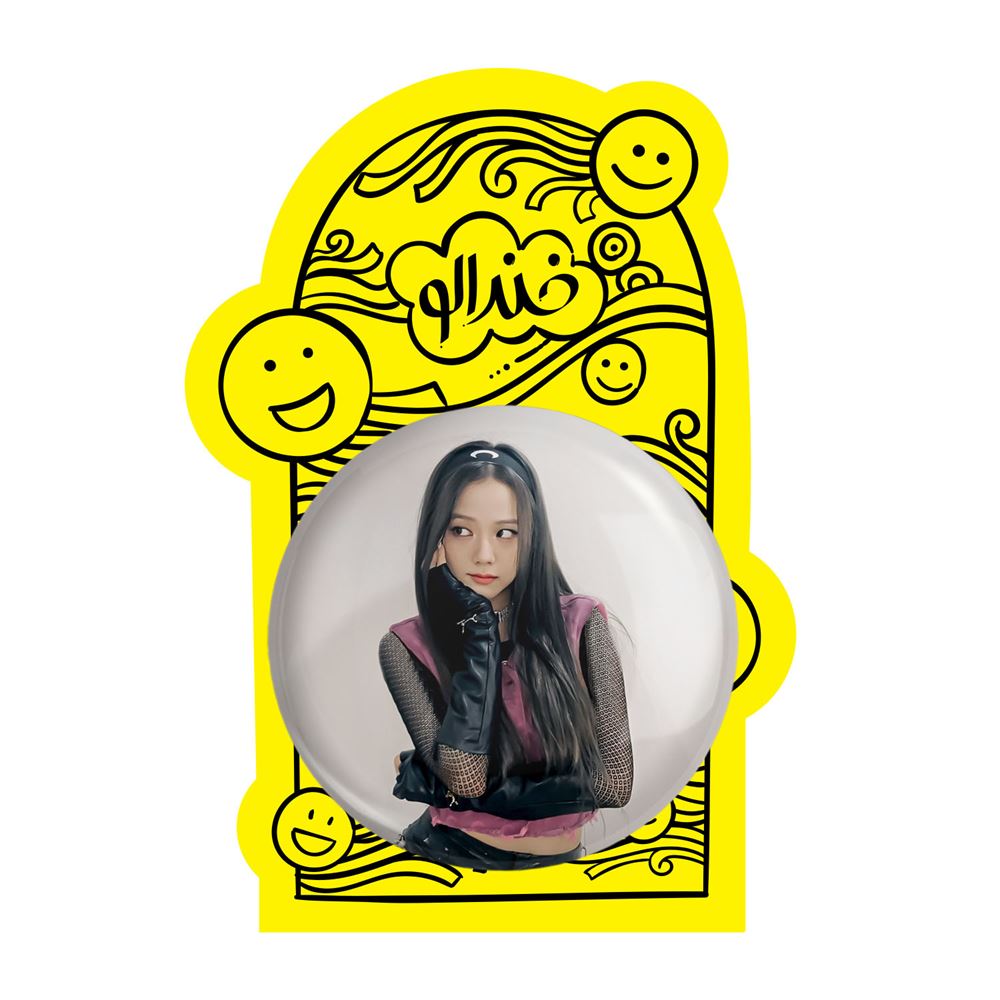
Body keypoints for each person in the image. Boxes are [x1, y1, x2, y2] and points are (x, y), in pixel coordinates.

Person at [379, 441, 633, 871]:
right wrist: (478, 632)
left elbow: (614, 786)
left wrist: (421, 776)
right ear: (436, 537)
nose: (484, 555)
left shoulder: (582, 622)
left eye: (506, 532)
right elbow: (466, 778)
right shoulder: (405, 645)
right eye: (461, 530)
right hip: (447, 858)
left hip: (564, 867)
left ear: (531, 538)